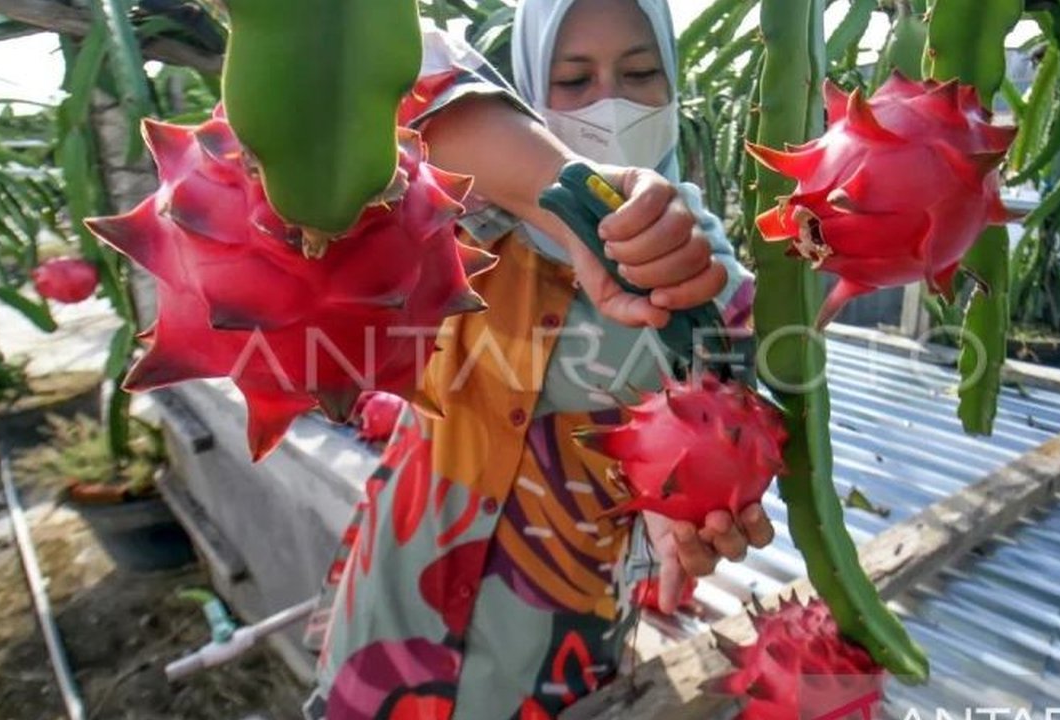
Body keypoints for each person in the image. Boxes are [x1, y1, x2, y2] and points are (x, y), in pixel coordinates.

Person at [303, 2, 773, 718]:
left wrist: (685, 519)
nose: (609, 100)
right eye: (573, 79)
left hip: (556, 669)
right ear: (525, 86)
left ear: (673, 83)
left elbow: (703, 471)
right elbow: (376, 65)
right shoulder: (464, 214)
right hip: (388, 640)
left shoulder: (716, 296)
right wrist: (575, 199)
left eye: (640, 73)